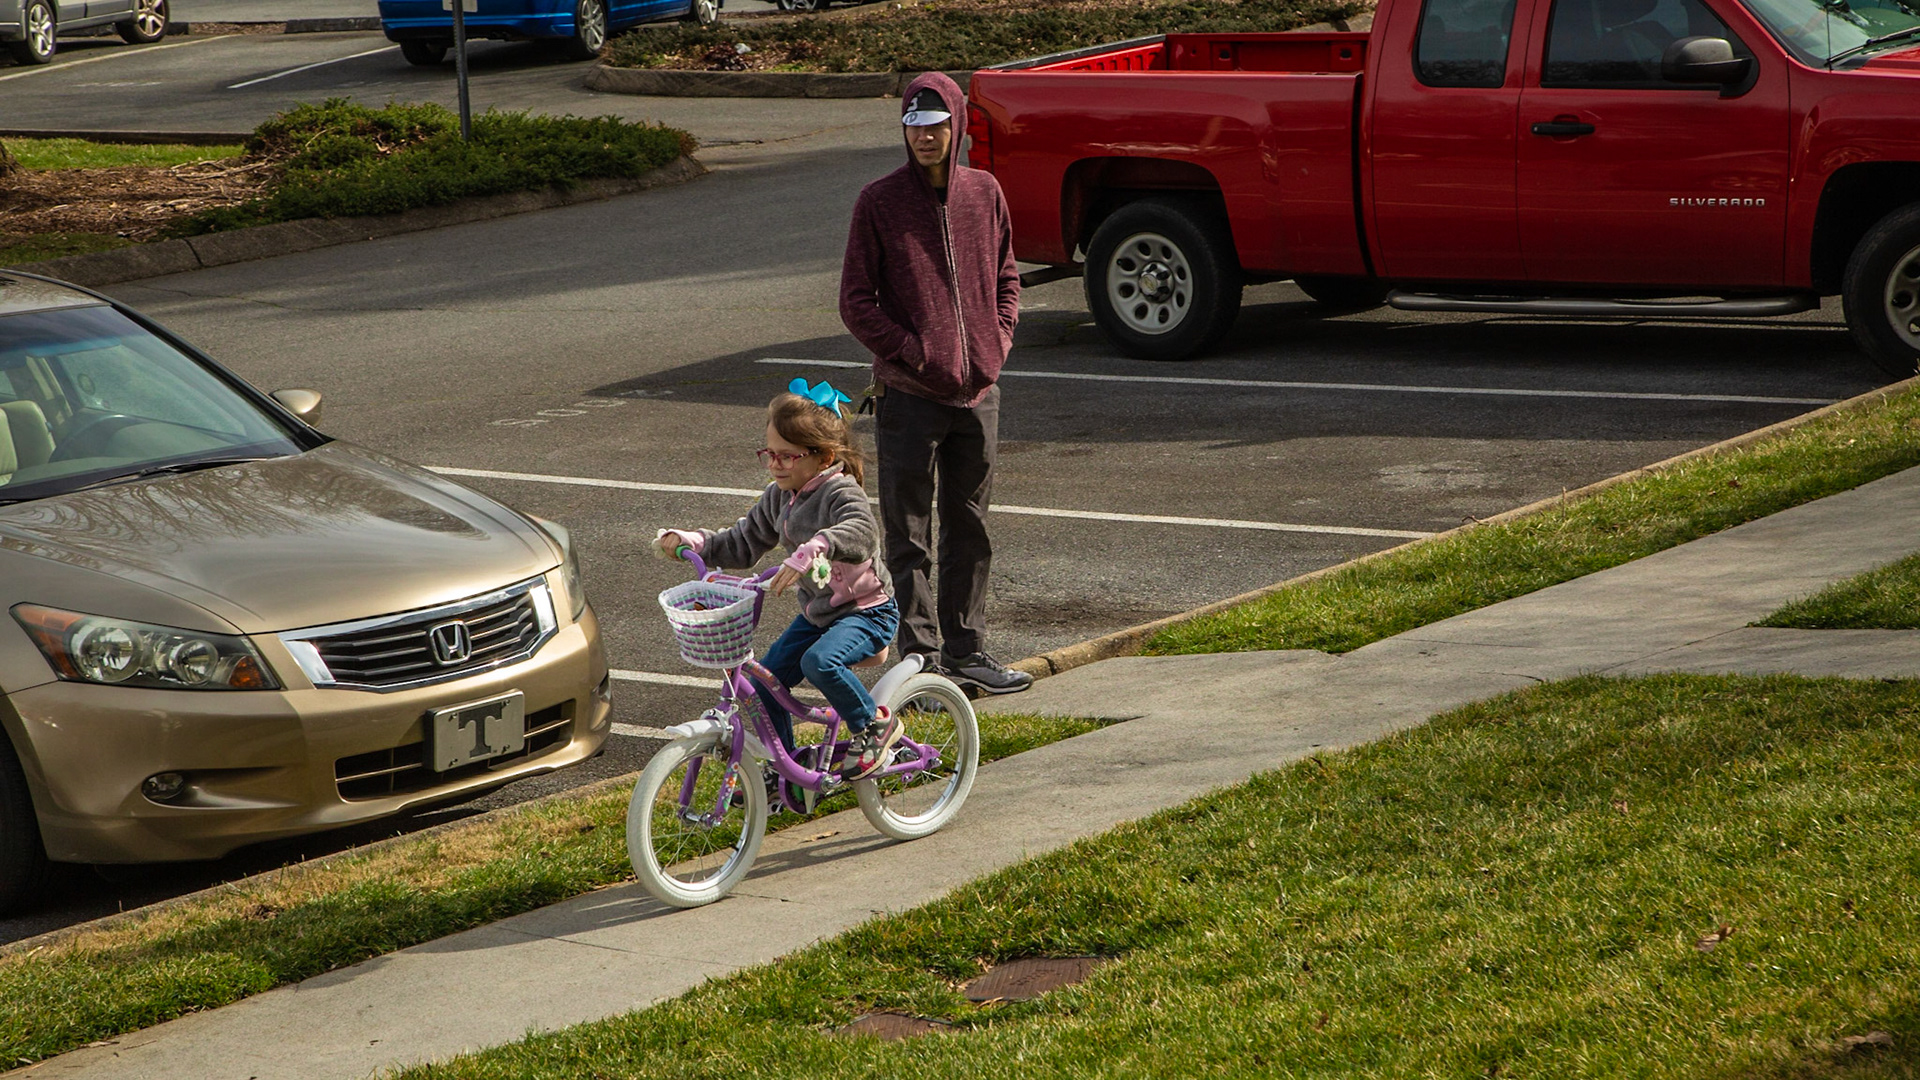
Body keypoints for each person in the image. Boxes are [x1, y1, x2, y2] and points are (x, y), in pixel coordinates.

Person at [838, 71, 1033, 695]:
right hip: (910, 396)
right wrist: (913, 351)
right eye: (914, 126)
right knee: (909, 534)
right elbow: (856, 301)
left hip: (979, 394)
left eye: (936, 125)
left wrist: (995, 345)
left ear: (958, 124)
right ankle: (918, 661)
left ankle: (968, 651)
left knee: (970, 526)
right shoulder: (879, 201)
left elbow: (1008, 275)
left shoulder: (985, 193)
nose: (925, 137)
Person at [654, 382, 903, 779]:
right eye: (769, 454)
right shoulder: (779, 496)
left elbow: (861, 533)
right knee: (767, 685)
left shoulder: (841, 491)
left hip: (866, 612)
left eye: (788, 456)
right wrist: (695, 542)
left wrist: (818, 546)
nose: (775, 464)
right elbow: (742, 542)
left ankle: (874, 725)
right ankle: (785, 770)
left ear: (825, 457)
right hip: (819, 613)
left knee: (819, 662)